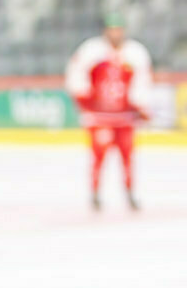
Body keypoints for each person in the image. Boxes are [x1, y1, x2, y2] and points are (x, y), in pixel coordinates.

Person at [65, 12, 152, 211]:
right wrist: (85, 99)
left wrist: (140, 105)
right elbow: (76, 76)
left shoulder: (135, 53)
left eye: (119, 29)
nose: (116, 33)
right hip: (99, 117)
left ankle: (130, 193)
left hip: (125, 117)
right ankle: (95, 193)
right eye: (112, 29)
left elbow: (142, 83)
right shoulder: (91, 51)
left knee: (128, 157)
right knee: (98, 157)